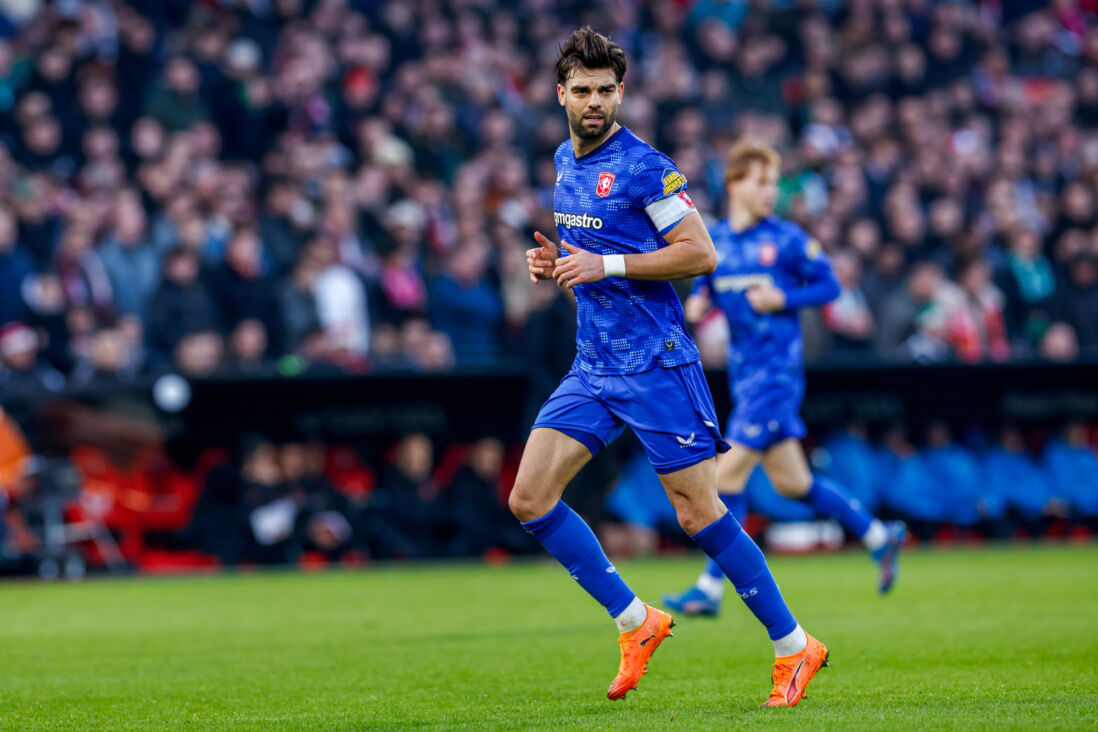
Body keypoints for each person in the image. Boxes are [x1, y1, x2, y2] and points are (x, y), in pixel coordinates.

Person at [511, 28, 828, 708]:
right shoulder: (566, 159)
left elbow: (699, 252)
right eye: (583, 91)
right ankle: (637, 620)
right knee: (529, 498)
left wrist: (607, 264)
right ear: (560, 93)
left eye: (606, 91)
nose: (595, 102)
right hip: (594, 366)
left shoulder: (646, 167)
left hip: (657, 366)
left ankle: (795, 645)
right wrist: (557, 265)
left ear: (619, 94)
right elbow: (592, 250)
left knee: (698, 513)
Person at [662, 140, 905, 622]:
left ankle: (710, 587)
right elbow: (707, 284)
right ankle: (879, 534)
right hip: (744, 376)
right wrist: (698, 304)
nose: (771, 191)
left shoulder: (788, 239)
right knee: (794, 483)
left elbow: (831, 285)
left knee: (722, 477)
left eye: (774, 183)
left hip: (776, 378)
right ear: (734, 185)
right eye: (761, 182)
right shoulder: (718, 241)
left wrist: (784, 298)